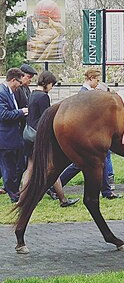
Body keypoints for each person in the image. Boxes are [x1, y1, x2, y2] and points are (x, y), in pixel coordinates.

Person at [48, 68, 121, 200]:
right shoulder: (85, 94)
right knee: (80, 164)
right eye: (97, 80)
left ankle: (106, 189)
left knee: (95, 160)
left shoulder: (88, 93)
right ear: (91, 78)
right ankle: (56, 187)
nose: (98, 83)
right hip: (89, 134)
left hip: (94, 133)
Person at [22, 71, 79, 208]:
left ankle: (22, 198)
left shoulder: (32, 94)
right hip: (39, 136)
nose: (52, 87)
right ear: (47, 83)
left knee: (30, 168)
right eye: (52, 84)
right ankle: (62, 199)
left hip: (28, 134)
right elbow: (45, 119)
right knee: (52, 168)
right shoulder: (43, 97)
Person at [0, 68, 28, 202]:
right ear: (13, 80)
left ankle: (14, 191)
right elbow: (4, 115)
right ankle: (13, 195)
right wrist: (21, 112)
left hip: (14, 137)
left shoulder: (10, 92)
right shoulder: (1, 93)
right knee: (8, 168)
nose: (20, 86)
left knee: (19, 165)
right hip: (5, 138)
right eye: (19, 83)